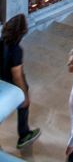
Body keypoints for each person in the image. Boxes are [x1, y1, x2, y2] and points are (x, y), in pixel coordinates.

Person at [1, 14, 40, 150]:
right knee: (23, 105)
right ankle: (24, 135)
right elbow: (17, 76)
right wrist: (25, 95)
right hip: (10, 85)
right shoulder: (16, 50)